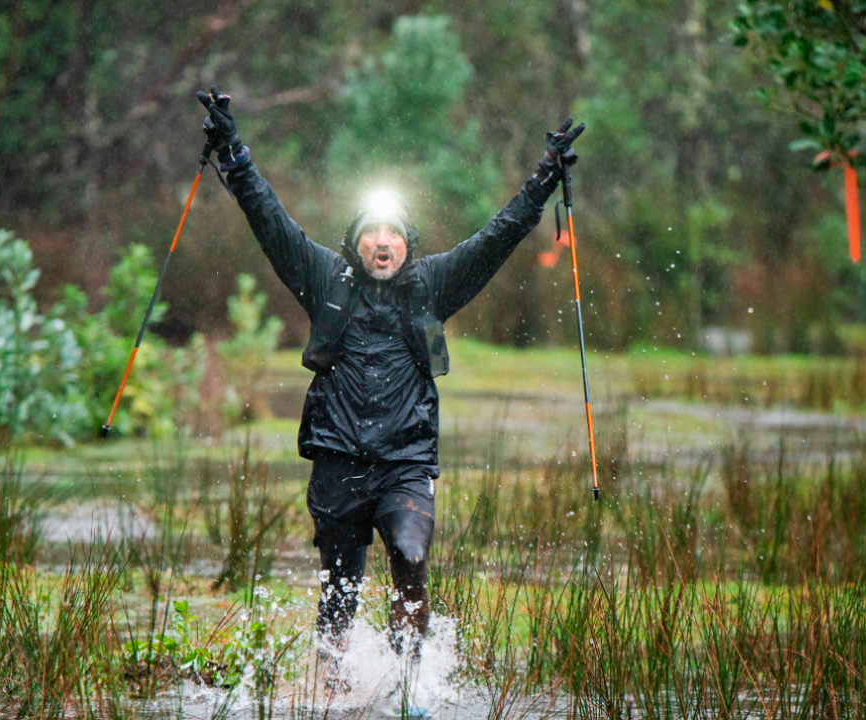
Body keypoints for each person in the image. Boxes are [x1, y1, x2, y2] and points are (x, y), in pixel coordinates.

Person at [197, 85, 583, 683]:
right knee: (339, 600)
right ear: (356, 242)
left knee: (410, 553)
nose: (383, 241)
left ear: (407, 243)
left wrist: (544, 179)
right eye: (372, 232)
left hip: (405, 463)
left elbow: (498, 235)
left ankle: (411, 685)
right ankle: (335, 688)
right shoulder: (323, 274)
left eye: (394, 233)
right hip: (335, 464)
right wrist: (233, 150)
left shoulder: (435, 283)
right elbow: (268, 218)